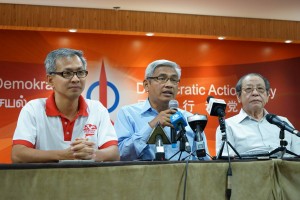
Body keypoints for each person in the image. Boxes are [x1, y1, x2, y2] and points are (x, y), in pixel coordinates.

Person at [11, 48, 120, 163]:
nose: (75, 79)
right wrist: (63, 155)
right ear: (50, 80)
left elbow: (114, 153)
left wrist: (92, 154)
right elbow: (18, 154)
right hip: (46, 179)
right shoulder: (33, 109)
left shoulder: (97, 109)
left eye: (80, 72)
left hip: (88, 179)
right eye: (67, 73)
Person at [114, 59, 210, 161]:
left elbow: (204, 162)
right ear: (147, 85)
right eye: (162, 78)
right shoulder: (128, 114)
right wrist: (152, 126)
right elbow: (120, 155)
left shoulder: (189, 119)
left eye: (174, 80)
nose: (169, 84)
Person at [216, 73, 300, 157]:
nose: (255, 93)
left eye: (260, 89)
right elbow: (226, 163)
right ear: (238, 97)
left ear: (267, 96)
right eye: (249, 89)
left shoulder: (283, 122)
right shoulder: (228, 126)